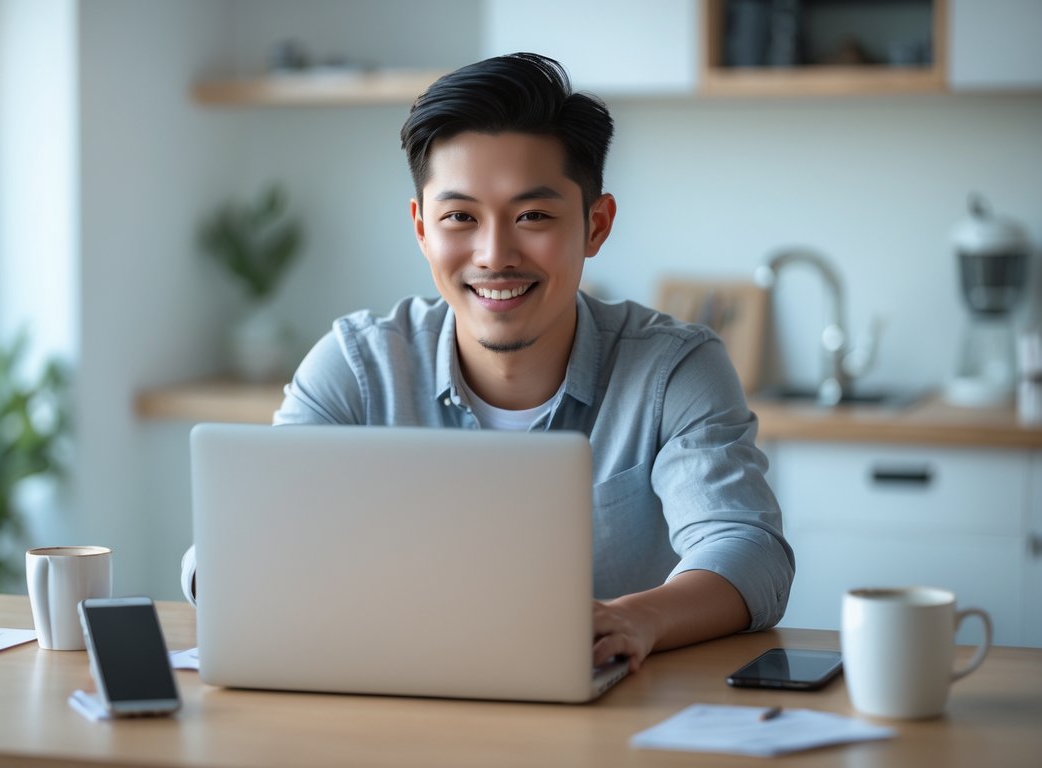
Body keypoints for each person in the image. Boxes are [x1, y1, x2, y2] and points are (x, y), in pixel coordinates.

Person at [182, 52, 793, 672]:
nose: (495, 254)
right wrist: (238, 567)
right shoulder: (357, 365)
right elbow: (229, 548)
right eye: (460, 218)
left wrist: (637, 617)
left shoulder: (673, 371)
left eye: (532, 216)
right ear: (422, 229)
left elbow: (748, 551)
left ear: (595, 225)